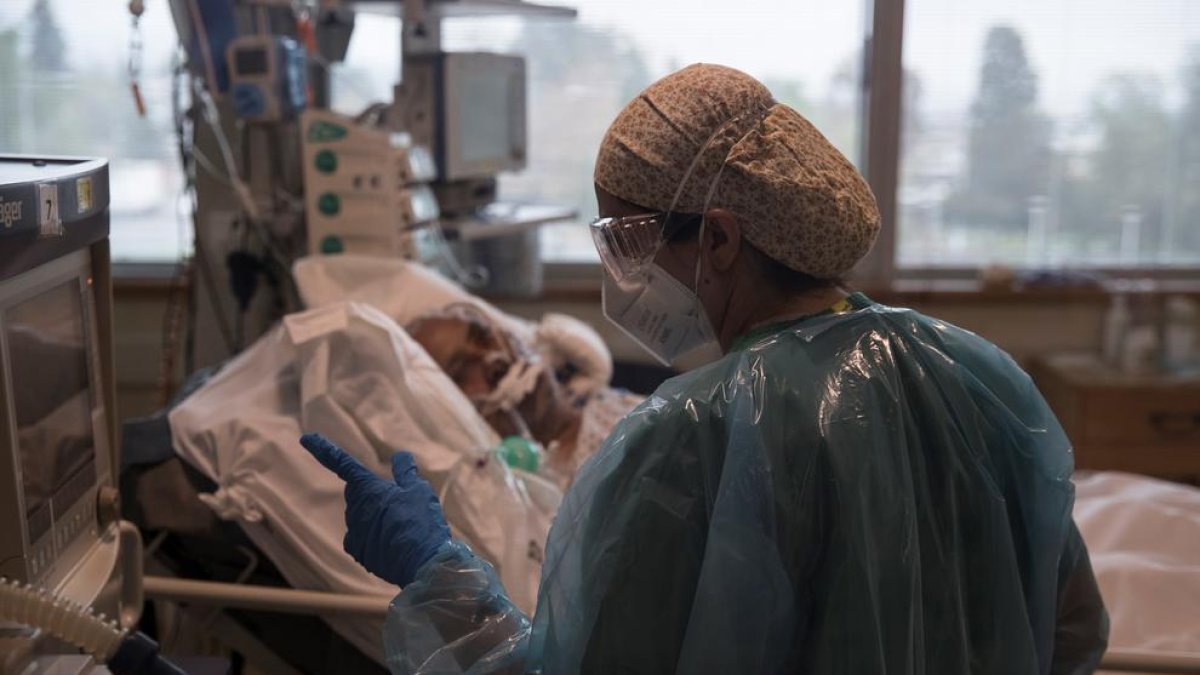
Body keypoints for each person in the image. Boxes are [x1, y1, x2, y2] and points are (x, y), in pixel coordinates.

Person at [301, 63, 1109, 674]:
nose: (620, 271)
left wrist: (438, 577)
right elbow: (1074, 631)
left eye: (627, 239)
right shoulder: (980, 377)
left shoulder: (691, 439)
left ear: (719, 239)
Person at [406, 304, 641, 489]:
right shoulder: (538, 502)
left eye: (484, 336)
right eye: (461, 371)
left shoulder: (620, 405)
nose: (493, 358)